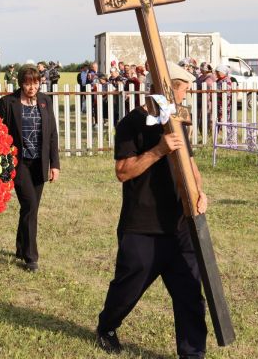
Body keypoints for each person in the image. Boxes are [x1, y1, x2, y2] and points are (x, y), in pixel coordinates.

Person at [96, 61, 208, 357]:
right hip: (142, 224)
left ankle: (192, 352)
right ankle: (107, 325)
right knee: (127, 288)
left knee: (190, 294)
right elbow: (123, 171)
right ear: (165, 87)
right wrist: (158, 149)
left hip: (181, 222)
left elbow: (190, 163)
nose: (186, 95)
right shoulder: (131, 124)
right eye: (183, 88)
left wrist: (199, 192)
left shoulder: (179, 118)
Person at [0, 65, 60, 272]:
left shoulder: (45, 101)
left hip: (39, 162)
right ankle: (31, 257)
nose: (32, 87)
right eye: (27, 83)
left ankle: (20, 246)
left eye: (35, 82)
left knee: (29, 209)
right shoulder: (8, 102)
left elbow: (52, 134)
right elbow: (2, 134)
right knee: (30, 205)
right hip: (20, 162)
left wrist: (55, 165)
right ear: (21, 83)